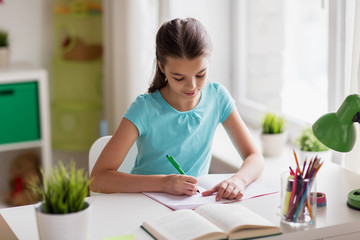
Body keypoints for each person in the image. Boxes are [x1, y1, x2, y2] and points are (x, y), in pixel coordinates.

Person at [90, 18, 264, 201]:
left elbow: (255, 157)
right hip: (142, 205)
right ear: (161, 67)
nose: (192, 86)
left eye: (200, 74)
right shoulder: (145, 108)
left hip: (191, 205)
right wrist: (164, 183)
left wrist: (238, 180)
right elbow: (98, 179)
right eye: (179, 77)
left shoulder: (218, 98)